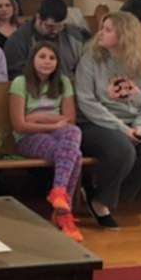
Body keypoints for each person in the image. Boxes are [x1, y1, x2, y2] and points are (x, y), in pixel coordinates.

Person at [75, 12, 141, 229]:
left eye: (108, 30)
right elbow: (87, 102)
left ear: (125, 35)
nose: (101, 33)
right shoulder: (91, 58)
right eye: (102, 27)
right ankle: (101, 203)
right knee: (123, 150)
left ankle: (102, 194)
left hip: (134, 122)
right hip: (95, 122)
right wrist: (121, 129)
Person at [8, 42, 84, 242]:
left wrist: (36, 117)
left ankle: (58, 193)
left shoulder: (64, 82)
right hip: (28, 138)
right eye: (42, 56)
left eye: (52, 58)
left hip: (57, 134)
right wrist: (52, 123)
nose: (47, 62)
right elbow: (20, 126)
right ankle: (64, 215)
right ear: (33, 59)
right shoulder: (20, 82)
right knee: (75, 154)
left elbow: (70, 119)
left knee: (73, 131)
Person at [4, 0, 90, 79]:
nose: (55, 31)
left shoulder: (73, 36)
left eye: (59, 26)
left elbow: (84, 67)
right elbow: (16, 75)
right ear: (38, 18)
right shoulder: (18, 41)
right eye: (50, 26)